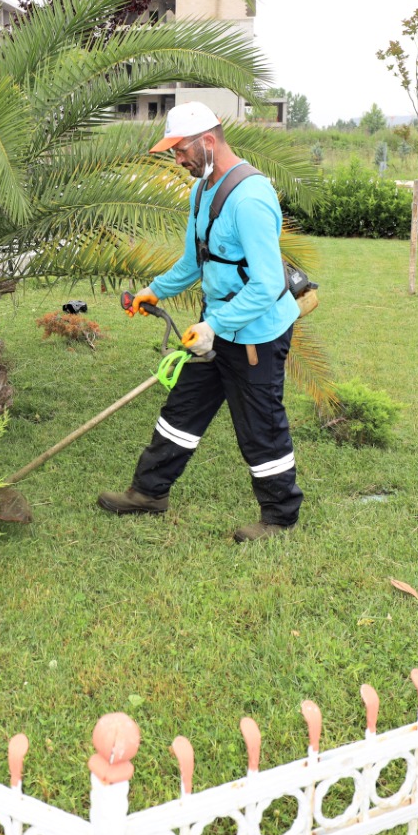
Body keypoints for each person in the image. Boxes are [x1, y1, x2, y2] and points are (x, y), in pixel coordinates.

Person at [97, 102, 302, 542]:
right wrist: (156, 290)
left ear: (208, 141)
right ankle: (149, 493)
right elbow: (196, 260)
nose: (178, 160)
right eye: (173, 152)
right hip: (217, 328)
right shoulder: (203, 190)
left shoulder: (250, 198)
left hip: (256, 335)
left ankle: (280, 518)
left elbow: (267, 285)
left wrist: (216, 324)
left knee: (261, 424)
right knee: (182, 410)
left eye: (181, 150)